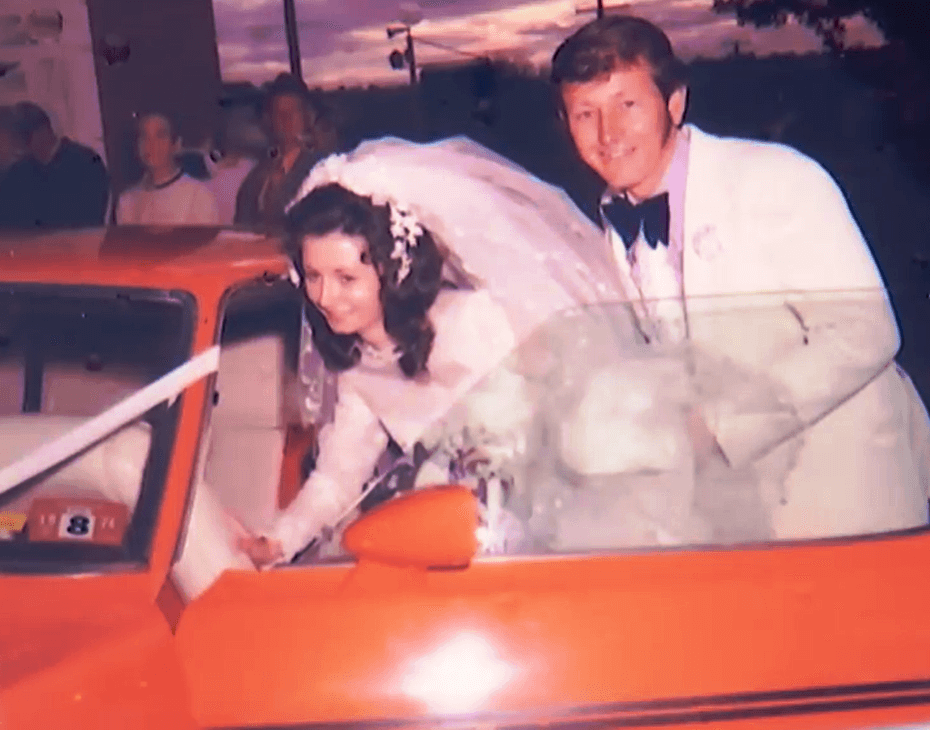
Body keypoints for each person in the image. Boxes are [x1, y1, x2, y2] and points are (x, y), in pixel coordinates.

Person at [550, 15, 930, 540]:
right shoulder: (610, 226)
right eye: (585, 113)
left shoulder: (774, 178)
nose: (608, 133)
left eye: (627, 105)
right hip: (741, 523)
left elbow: (867, 332)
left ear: (674, 102)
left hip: (847, 506)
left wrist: (718, 429)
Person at [231, 135, 634, 568]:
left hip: (555, 536)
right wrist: (276, 542)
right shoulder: (360, 365)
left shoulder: (476, 322)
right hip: (458, 543)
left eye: (346, 278)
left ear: (394, 269)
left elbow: (568, 424)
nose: (325, 296)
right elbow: (336, 478)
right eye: (312, 276)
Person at [234, 73, 338, 228]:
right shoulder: (256, 176)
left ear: (307, 117)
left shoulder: (324, 169)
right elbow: (241, 225)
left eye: (293, 111)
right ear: (269, 121)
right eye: (279, 113)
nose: (286, 119)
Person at [1, 101, 109, 229]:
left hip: (78, 244)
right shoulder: (20, 170)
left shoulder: (85, 161)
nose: (18, 145)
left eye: (22, 137)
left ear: (43, 130)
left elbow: (91, 215)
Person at [114, 110, 219, 226]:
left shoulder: (198, 196)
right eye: (144, 136)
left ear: (176, 144)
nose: (151, 144)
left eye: (160, 136)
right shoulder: (127, 201)